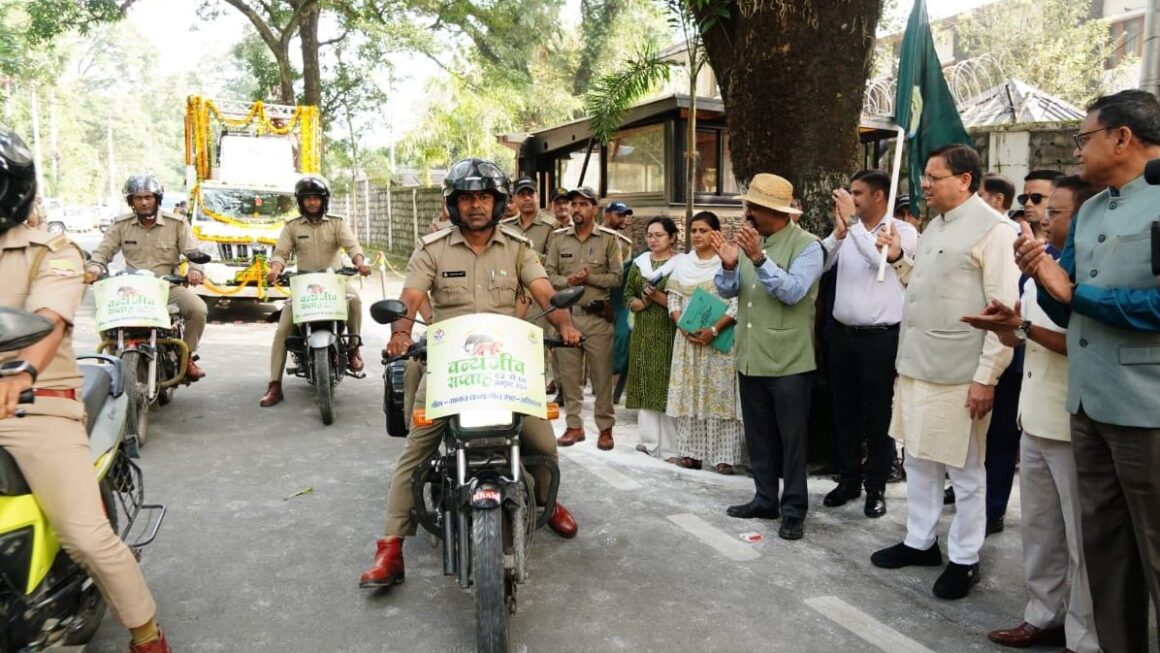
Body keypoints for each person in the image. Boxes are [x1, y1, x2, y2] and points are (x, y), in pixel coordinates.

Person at [359, 159, 582, 589]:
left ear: (498, 203)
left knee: (542, 441)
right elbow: (408, 298)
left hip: (507, 369)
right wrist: (401, 334)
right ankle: (390, 546)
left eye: (483, 197)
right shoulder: (433, 248)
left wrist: (566, 325)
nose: (475, 205)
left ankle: (544, 500)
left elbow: (544, 291)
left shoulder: (518, 247)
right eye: (466, 197)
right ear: (453, 203)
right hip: (449, 370)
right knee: (415, 453)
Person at [0, 129, 171, 653]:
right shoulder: (111, 232)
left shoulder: (47, 250)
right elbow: (103, 255)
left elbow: (50, 319)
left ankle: (146, 635)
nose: (142, 203)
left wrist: (19, 372)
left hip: (32, 408)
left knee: (84, 532)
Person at [1015, 89, 1160, 652]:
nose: (1078, 151)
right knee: (1105, 553)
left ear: (1122, 137)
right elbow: (1065, 299)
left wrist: (1074, 292)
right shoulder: (1094, 208)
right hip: (1089, 403)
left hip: (1146, 407)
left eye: (1085, 137)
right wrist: (1039, 277)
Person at [871, 143, 1019, 600]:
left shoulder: (996, 230)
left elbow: (1003, 312)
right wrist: (898, 258)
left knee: (966, 468)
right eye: (926, 177)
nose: (925, 185)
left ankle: (965, 557)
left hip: (960, 371)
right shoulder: (935, 225)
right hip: (918, 364)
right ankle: (920, 540)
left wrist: (986, 376)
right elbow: (923, 287)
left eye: (934, 177)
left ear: (965, 180)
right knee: (917, 456)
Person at [964, 174, 1100, 653]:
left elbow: (1080, 345)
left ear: (1084, 217)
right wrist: (1004, 326)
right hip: (1034, 415)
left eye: (1054, 211)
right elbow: (1022, 337)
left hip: (1074, 422)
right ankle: (1042, 615)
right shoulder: (1040, 267)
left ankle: (1085, 635)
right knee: (1041, 531)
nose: (1042, 218)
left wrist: (1019, 326)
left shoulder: (1089, 273)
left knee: (1084, 540)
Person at [710, 173, 824, 541]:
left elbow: (792, 292)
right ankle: (764, 498)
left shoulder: (808, 246)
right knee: (758, 435)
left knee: (792, 440)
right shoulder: (748, 242)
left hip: (789, 359)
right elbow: (730, 291)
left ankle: (793, 510)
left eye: (752, 206)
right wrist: (729, 265)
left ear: (772, 211)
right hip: (750, 355)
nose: (747, 212)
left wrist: (758, 258)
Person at [819, 169, 917, 518]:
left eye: (857, 193)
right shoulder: (851, 231)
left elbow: (880, 261)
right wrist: (839, 232)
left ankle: (876, 486)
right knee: (843, 411)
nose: (851, 198)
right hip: (844, 335)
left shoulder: (902, 232)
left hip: (881, 338)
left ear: (879, 196)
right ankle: (848, 479)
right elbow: (823, 265)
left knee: (879, 416)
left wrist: (855, 228)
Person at [258, 175, 371, 407]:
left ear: (324, 200)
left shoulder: (337, 223)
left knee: (355, 300)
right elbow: (280, 253)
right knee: (282, 330)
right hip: (304, 285)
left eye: (316, 198)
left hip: (335, 281)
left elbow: (352, 246)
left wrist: (360, 262)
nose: (312, 203)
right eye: (307, 199)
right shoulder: (292, 227)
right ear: (300, 202)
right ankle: (274, 385)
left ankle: (352, 349)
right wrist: (275, 269)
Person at [87, 174, 209, 381]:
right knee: (102, 311)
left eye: (148, 197)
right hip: (131, 290)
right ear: (131, 201)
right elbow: (102, 252)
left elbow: (192, 252)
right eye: (138, 198)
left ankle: (186, 357)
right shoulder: (120, 224)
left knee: (198, 309)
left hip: (167, 288)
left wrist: (196, 269)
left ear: (157, 198)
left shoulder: (177, 223)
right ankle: (114, 358)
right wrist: (94, 268)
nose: (144, 202)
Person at [545, 187, 625, 450]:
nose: (576, 209)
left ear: (594, 208)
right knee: (569, 376)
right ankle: (574, 426)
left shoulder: (609, 240)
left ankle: (605, 429)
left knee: (601, 377)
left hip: (597, 318)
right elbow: (547, 276)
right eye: (573, 204)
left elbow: (617, 277)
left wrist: (589, 278)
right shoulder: (558, 239)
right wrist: (569, 280)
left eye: (582, 204)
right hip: (567, 316)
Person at [666, 212, 745, 475]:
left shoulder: (727, 261)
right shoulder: (683, 264)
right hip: (688, 340)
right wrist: (683, 326)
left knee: (720, 395)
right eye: (694, 231)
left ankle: (724, 457)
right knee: (690, 392)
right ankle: (690, 453)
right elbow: (673, 300)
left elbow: (736, 303)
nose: (697, 235)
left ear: (716, 233)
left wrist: (713, 329)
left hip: (718, 339)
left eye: (703, 230)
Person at [624, 217, 681, 462]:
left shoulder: (680, 264)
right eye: (649, 235)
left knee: (667, 385)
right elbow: (627, 293)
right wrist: (638, 303)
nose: (653, 239)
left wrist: (655, 297)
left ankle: (671, 449)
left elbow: (683, 300)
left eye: (659, 235)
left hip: (670, 330)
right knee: (645, 382)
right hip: (644, 331)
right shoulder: (639, 263)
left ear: (672, 237)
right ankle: (649, 442)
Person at [602, 201, 634, 402]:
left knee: (621, 336)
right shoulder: (596, 236)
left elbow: (624, 275)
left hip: (616, 298)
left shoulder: (625, 243)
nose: (623, 219)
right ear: (607, 215)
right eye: (618, 215)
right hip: (595, 294)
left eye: (625, 215)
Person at [1018, 169, 1063, 239]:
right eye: (1024, 198)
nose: (1027, 204)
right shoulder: (1014, 238)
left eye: (1036, 198)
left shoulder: (1074, 241)